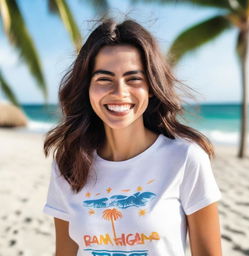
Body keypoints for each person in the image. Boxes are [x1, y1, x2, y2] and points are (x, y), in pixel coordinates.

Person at [43, 18, 222, 256]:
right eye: (104, 79)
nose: (119, 92)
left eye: (133, 79)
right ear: (87, 87)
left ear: (150, 86)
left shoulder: (186, 158)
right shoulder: (68, 164)